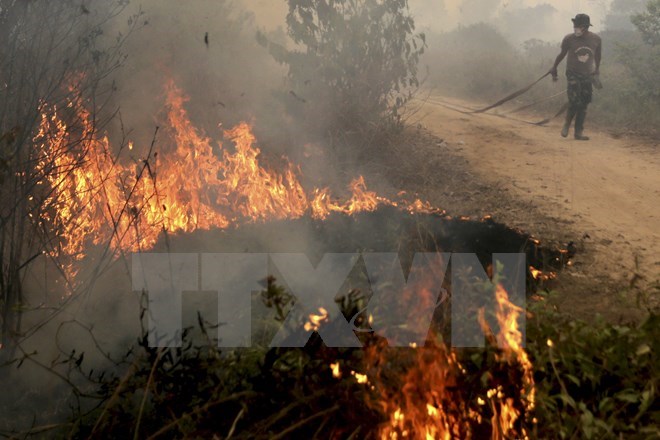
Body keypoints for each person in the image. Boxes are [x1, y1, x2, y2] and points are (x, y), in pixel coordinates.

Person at [550, 14, 602, 141]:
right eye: (575, 26)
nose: (576, 28)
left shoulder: (596, 39)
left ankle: (578, 132)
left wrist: (596, 70)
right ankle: (567, 123)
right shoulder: (569, 39)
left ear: (586, 27)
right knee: (574, 100)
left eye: (579, 26)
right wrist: (554, 67)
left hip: (587, 75)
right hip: (572, 72)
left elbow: (598, 56)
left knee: (584, 103)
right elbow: (562, 54)